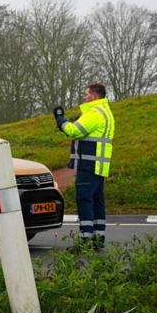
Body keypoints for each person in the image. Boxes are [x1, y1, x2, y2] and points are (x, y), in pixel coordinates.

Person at [54, 83, 115, 249]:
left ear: (94, 96)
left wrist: (60, 119)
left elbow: (75, 131)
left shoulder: (94, 112)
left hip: (88, 165)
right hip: (99, 166)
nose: (84, 97)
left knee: (84, 200)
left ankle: (85, 241)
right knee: (97, 202)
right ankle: (97, 239)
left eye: (86, 94)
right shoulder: (105, 112)